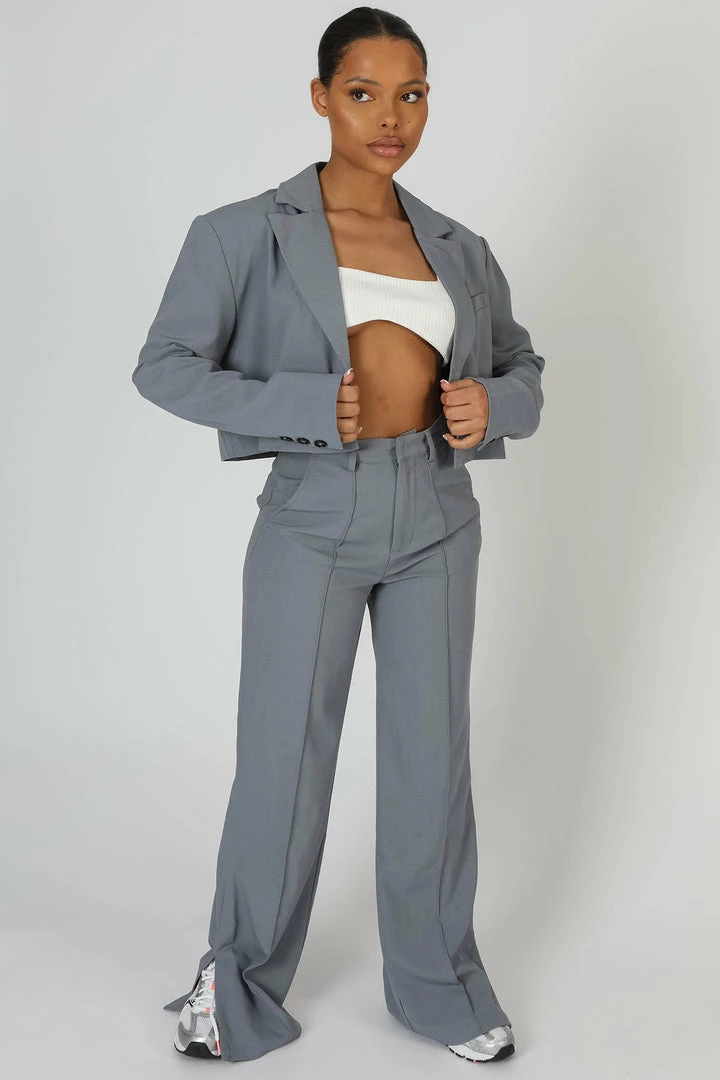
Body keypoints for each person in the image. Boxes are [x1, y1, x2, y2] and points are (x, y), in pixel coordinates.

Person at [132, 6, 545, 1065]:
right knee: (284, 759)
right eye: (363, 93)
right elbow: (165, 365)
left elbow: (522, 367)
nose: (389, 117)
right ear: (322, 98)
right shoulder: (240, 232)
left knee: (430, 761)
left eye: (411, 95)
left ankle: (439, 986)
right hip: (314, 513)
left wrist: (494, 405)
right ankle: (236, 985)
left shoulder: (458, 245)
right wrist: (303, 404)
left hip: (438, 512)